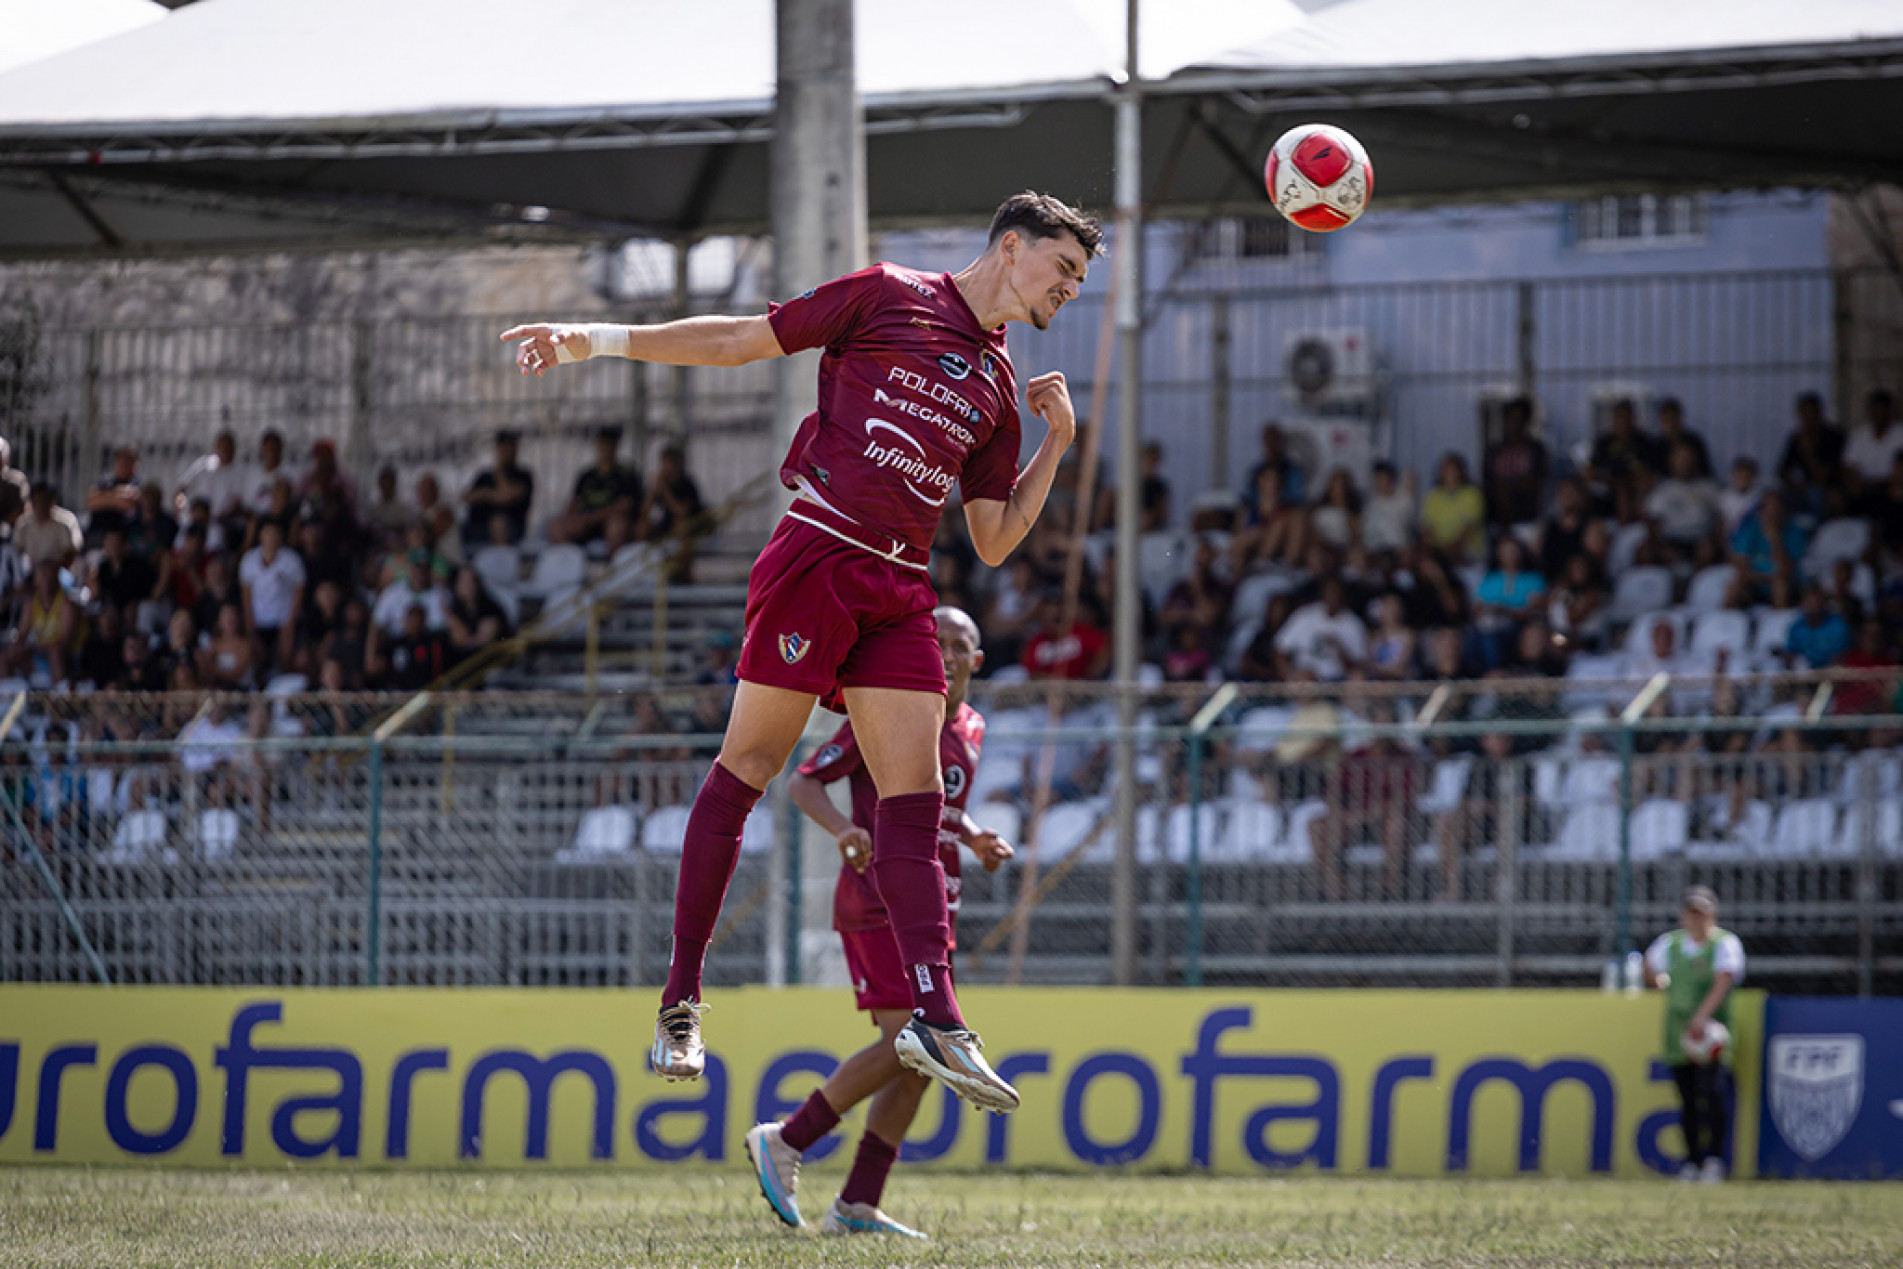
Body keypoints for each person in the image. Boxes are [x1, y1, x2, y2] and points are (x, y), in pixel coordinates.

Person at [503, 190, 1100, 1114]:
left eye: (1079, 280)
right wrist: (595, 335)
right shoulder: (886, 292)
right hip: (818, 553)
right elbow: (740, 339)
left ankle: (937, 1017)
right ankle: (680, 1002)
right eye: (1063, 269)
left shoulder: (996, 390)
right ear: (1011, 247)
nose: (1070, 289)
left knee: (917, 793)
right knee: (746, 766)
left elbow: (990, 538)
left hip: (901, 585)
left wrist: (1054, 444)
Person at [753, 606, 1013, 1235]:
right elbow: (805, 782)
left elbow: (941, 806)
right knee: (915, 1045)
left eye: (960, 646)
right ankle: (787, 1137)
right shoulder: (894, 709)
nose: (947, 655)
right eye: (937, 642)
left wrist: (974, 839)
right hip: (876, 902)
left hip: (932, 910)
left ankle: (857, 1203)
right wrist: (846, 829)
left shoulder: (972, 725)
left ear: (977, 661)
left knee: (926, 1062)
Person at [1642, 886, 1744, 1183]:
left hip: (1711, 1033)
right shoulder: (1671, 943)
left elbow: (1724, 980)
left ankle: (1714, 1160)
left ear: (1712, 915)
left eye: (1701, 912)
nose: (1695, 919)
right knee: (1686, 1098)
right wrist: (1660, 981)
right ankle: (1691, 1161)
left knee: (1712, 1093)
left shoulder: (1724, 943)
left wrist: (1702, 1016)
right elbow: (1648, 965)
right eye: (1690, 912)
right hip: (1678, 1033)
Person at [549, 425, 643, 547]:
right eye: (603, 444)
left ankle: (614, 563)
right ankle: (571, 561)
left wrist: (590, 518)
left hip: (608, 521)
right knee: (556, 527)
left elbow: (624, 506)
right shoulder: (587, 475)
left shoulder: (627, 474)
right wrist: (572, 518)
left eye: (610, 444)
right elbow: (573, 502)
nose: (606, 448)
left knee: (617, 527)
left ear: (616, 446)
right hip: (586, 523)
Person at [1482, 397, 1548, 528]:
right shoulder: (1494, 450)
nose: (1513, 423)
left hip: (1528, 519)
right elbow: (1487, 481)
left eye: (1518, 418)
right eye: (1509, 417)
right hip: (1496, 519)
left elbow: (1539, 481)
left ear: (1526, 421)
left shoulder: (1536, 449)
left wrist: (1509, 486)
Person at [462, 430, 535, 546]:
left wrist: (499, 473)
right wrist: (488, 493)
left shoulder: (524, 476)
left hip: (509, 529)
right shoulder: (484, 476)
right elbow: (467, 497)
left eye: (509, 448)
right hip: (477, 526)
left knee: (498, 523)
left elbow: (505, 496)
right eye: (503, 447)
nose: (506, 452)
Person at [1418, 453, 1485, 563]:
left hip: (1466, 551)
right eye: (1447, 470)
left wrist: (1447, 549)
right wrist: (1435, 547)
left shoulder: (1472, 495)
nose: (1451, 474)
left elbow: (1466, 531)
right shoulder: (1433, 496)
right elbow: (1426, 530)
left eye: (1454, 470)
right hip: (1437, 550)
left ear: (1461, 472)